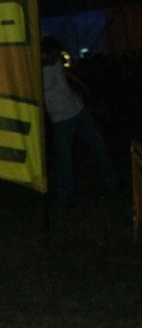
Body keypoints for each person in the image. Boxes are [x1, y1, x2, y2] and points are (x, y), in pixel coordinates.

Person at [41, 36, 121, 206]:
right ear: (44, 54)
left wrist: (79, 83)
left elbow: (65, 73)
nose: (55, 57)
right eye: (53, 54)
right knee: (64, 157)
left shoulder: (56, 62)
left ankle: (114, 180)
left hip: (77, 110)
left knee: (98, 145)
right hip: (60, 118)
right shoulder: (37, 73)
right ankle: (66, 195)